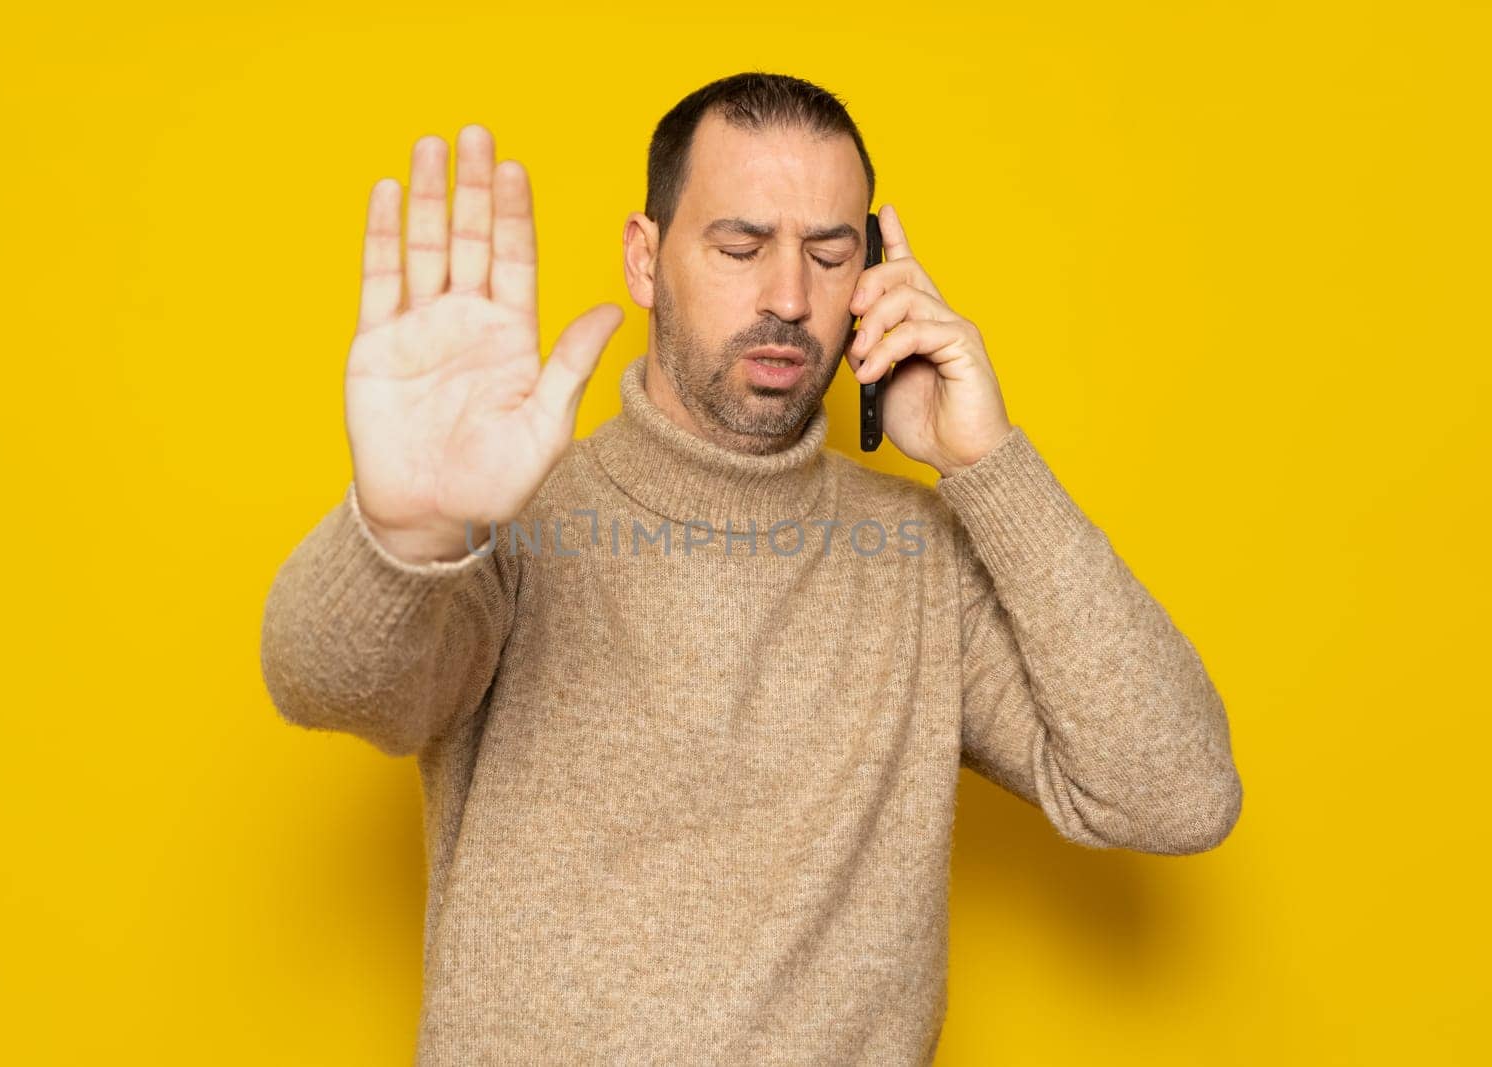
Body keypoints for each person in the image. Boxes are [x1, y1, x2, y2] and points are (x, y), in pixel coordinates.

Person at [259, 71, 1243, 1066]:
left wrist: (988, 465)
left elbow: (1173, 792)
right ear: (646, 260)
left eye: (829, 254)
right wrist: (412, 526)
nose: (788, 298)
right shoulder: (518, 519)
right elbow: (329, 682)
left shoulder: (920, 561)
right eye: (740, 247)